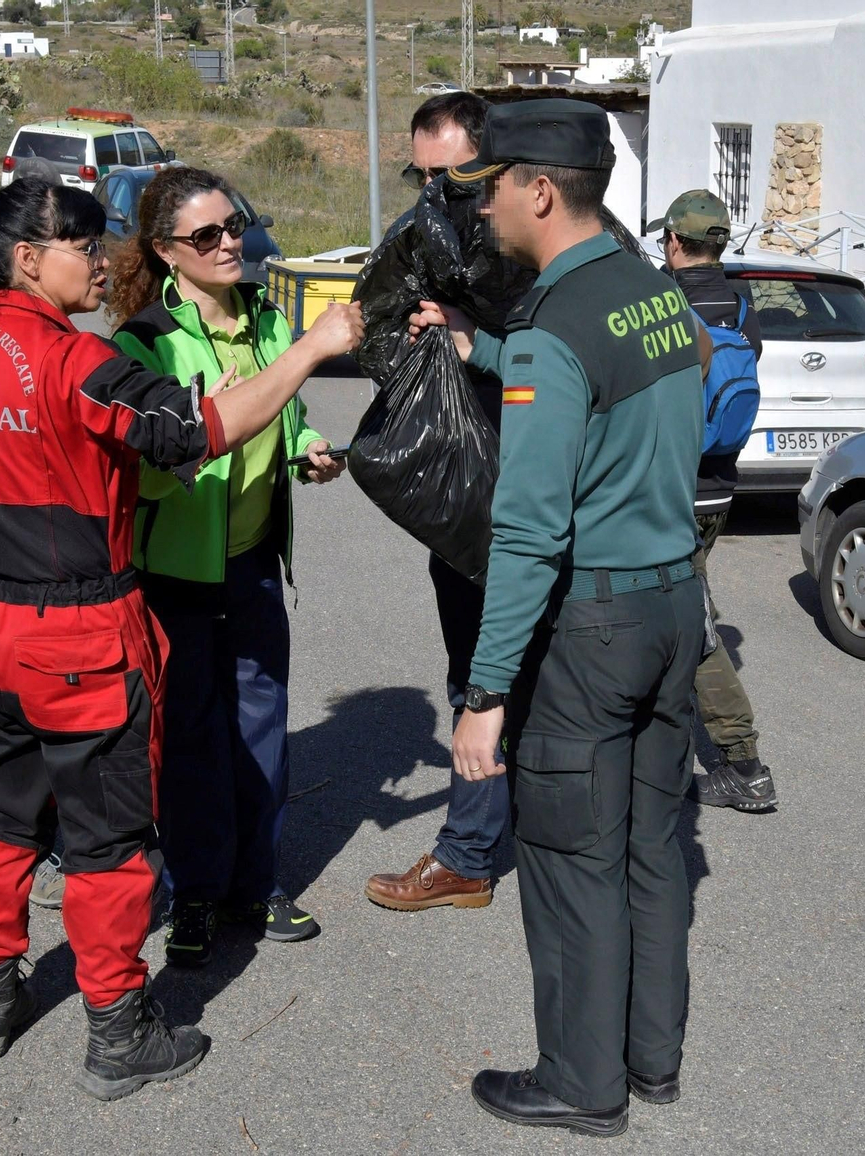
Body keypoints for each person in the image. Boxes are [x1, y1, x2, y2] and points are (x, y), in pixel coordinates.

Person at [0, 177, 362, 1094]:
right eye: (82, 244)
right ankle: (117, 1030)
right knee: (107, 842)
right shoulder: (76, 362)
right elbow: (200, 430)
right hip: (79, 635)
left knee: (0, 825)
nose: (102, 261)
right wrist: (312, 348)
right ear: (27, 259)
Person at [418, 99, 711, 1135]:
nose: (483, 204)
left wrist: (485, 692)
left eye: (493, 184)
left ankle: (582, 1083)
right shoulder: (650, 290)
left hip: (595, 627)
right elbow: (628, 382)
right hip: (675, 604)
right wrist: (486, 349)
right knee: (651, 847)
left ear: (540, 191)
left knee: (570, 856)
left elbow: (530, 529)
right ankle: (650, 1060)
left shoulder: (554, 322)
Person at [104, 167, 344, 965]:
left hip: (251, 565)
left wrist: (309, 444)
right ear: (167, 251)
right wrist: (203, 437)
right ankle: (196, 893)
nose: (228, 243)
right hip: (173, 575)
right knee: (192, 738)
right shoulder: (143, 344)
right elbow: (139, 471)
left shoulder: (267, 318)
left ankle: (256, 884)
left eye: (234, 225)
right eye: (205, 235)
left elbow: (290, 410)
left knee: (263, 729)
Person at [364, 91, 512, 913]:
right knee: (475, 678)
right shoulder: (425, 242)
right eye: (420, 177)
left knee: (505, 682)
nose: (433, 195)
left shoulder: (542, 249)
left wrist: (477, 336)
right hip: (467, 508)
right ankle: (474, 849)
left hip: (535, 503)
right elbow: (372, 323)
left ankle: (472, 852)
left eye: (450, 176)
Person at [650, 189, 777, 812]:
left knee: (693, 623)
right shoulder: (742, 307)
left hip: (672, 487)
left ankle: (743, 763)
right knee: (675, 607)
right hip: (719, 488)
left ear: (675, 241)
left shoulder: (664, 305)